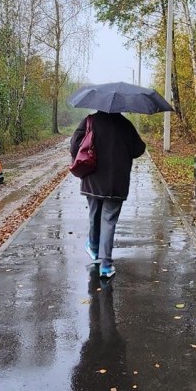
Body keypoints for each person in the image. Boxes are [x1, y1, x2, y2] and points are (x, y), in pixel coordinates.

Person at [70, 111, 146, 280]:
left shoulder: (89, 121)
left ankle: (94, 246)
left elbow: (74, 146)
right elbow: (138, 149)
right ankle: (106, 265)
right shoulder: (125, 124)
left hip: (92, 179)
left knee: (94, 213)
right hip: (116, 183)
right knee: (108, 221)